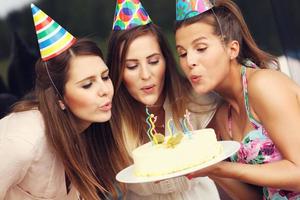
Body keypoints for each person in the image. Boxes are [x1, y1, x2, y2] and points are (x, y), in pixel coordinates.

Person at [175, 0, 300, 199]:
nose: (190, 61)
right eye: (182, 53)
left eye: (200, 48)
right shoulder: (223, 118)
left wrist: (224, 169)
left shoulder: (263, 85)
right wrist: (209, 168)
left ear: (232, 49)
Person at [0, 4, 126, 200]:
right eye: (87, 85)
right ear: (59, 98)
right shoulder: (22, 141)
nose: (105, 90)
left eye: (105, 77)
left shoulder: (89, 130)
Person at [107, 0, 221, 199]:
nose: (145, 74)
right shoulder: (109, 122)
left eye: (153, 61)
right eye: (132, 66)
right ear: (118, 72)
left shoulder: (199, 102)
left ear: (166, 60)